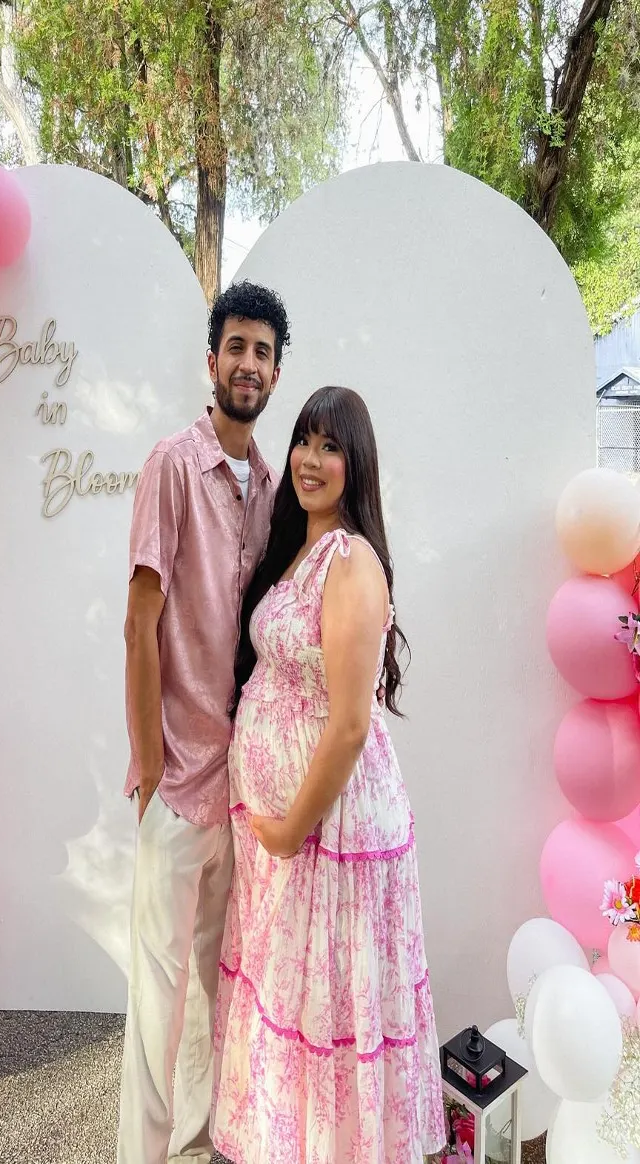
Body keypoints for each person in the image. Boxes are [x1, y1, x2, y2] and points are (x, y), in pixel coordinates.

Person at [212, 385, 446, 1163]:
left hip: (326, 832)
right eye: (304, 441)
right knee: (298, 1001)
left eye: (330, 445)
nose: (311, 460)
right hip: (287, 836)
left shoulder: (350, 563)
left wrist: (288, 828)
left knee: (328, 1011)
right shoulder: (304, 549)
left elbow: (349, 724)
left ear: (358, 463)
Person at [117, 281, 291, 1164]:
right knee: (157, 999)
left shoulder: (270, 486)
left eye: (263, 351)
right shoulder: (171, 466)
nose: (248, 364)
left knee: (223, 983)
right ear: (211, 359)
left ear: (274, 370)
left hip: (243, 793)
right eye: (237, 347)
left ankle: (207, 1137)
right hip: (177, 785)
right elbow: (139, 622)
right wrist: (150, 771)